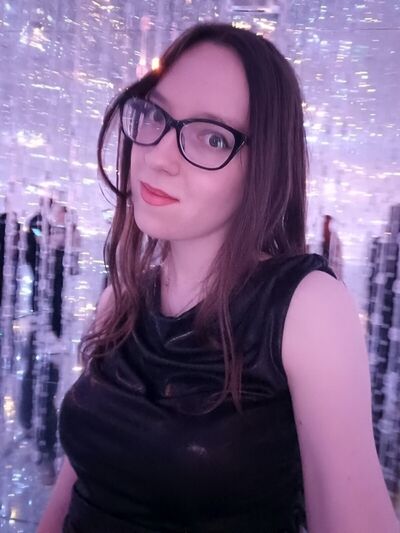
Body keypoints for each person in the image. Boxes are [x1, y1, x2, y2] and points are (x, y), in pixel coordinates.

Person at [38, 23, 399, 533]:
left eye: (212, 138)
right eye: (156, 116)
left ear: (264, 168)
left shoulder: (304, 307)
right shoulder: (121, 297)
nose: (159, 157)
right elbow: (77, 486)